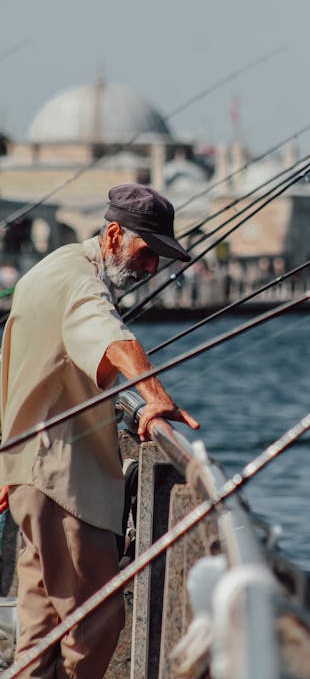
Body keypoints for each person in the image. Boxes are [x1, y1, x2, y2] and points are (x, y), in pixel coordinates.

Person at [0, 183, 200, 678]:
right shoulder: (82, 285)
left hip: (31, 471)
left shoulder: (54, 266)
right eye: (146, 252)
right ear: (113, 234)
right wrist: (155, 399)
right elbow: (113, 340)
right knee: (98, 617)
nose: (150, 268)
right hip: (62, 482)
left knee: (41, 625)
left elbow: (19, 371)